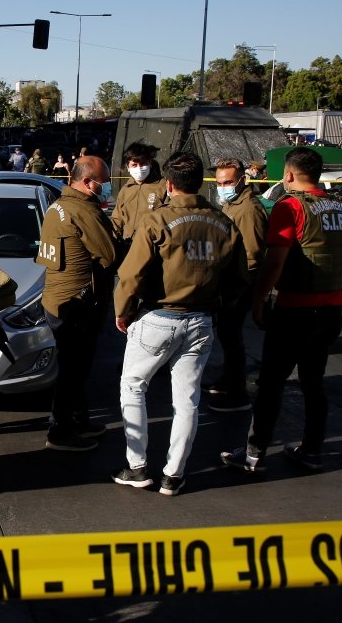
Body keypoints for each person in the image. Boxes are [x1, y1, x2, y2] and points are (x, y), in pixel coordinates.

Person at [111, 152, 248, 496]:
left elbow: (131, 275)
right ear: (201, 182)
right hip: (201, 321)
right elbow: (237, 281)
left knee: (133, 387)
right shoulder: (224, 222)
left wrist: (122, 311)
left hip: (157, 317)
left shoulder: (156, 221)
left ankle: (137, 466)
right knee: (187, 400)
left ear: (169, 184)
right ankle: (174, 474)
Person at [221, 147, 342, 473]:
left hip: (296, 309)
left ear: (289, 175)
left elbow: (275, 262)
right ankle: (312, 449)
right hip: (330, 310)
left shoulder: (290, 206)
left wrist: (258, 301)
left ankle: (253, 454)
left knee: (271, 384)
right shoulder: (340, 206)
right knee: (314, 382)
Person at [35, 155, 117, 451]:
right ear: (87, 182)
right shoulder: (83, 211)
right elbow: (109, 256)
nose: (107, 187)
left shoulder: (60, 205)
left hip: (60, 300)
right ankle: (60, 431)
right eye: (104, 182)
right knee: (72, 370)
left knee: (76, 367)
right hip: (77, 304)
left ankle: (79, 419)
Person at [205, 158, 268, 413]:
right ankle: (226, 380)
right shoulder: (232, 204)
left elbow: (252, 255)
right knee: (226, 335)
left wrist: (237, 290)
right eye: (220, 182)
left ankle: (237, 392)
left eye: (228, 182)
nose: (223, 187)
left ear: (242, 180)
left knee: (232, 338)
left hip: (239, 284)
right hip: (229, 282)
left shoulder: (248, 209)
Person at [110, 143, 166, 242]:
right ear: (128, 166)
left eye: (143, 163)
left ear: (150, 162)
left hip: (152, 247)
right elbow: (117, 219)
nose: (139, 168)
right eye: (134, 165)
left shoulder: (162, 187)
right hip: (127, 246)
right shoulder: (125, 190)